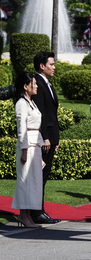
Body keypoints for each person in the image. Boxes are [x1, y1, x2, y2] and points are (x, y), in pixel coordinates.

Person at [30, 51, 61, 224]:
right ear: (42, 66)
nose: (54, 67)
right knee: (39, 176)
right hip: (45, 139)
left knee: (44, 175)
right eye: (51, 64)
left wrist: (55, 138)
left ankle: (38, 210)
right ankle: (37, 212)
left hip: (51, 138)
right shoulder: (38, 84)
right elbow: (39, 113)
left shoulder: (46, 83)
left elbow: (52, 113)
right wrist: (46, 138)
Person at [11, 73, 43, 228]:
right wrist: (24, 150)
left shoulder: (31, 102)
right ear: (26, 86)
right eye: (34, 83)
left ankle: (27, 215)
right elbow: (21, 128)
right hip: (27, 147)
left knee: (33, 182)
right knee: (25, 181)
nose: (36, 86)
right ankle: (23, 216)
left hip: (35, 145)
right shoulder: (21, 104)